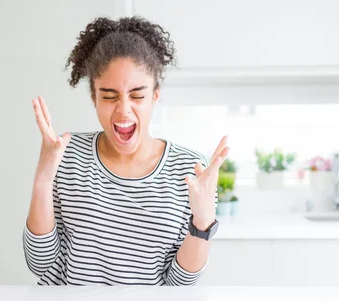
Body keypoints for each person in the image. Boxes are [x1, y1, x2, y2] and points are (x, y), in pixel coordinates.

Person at [23, 16, 229, 286]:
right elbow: (40, 264)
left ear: (155, 96)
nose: (123, 109)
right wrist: (43, 180)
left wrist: (203, 221)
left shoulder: (190, 169)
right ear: (94, 97)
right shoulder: (66, 155)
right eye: (109, 96)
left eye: (137, 95)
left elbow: (179, 284)